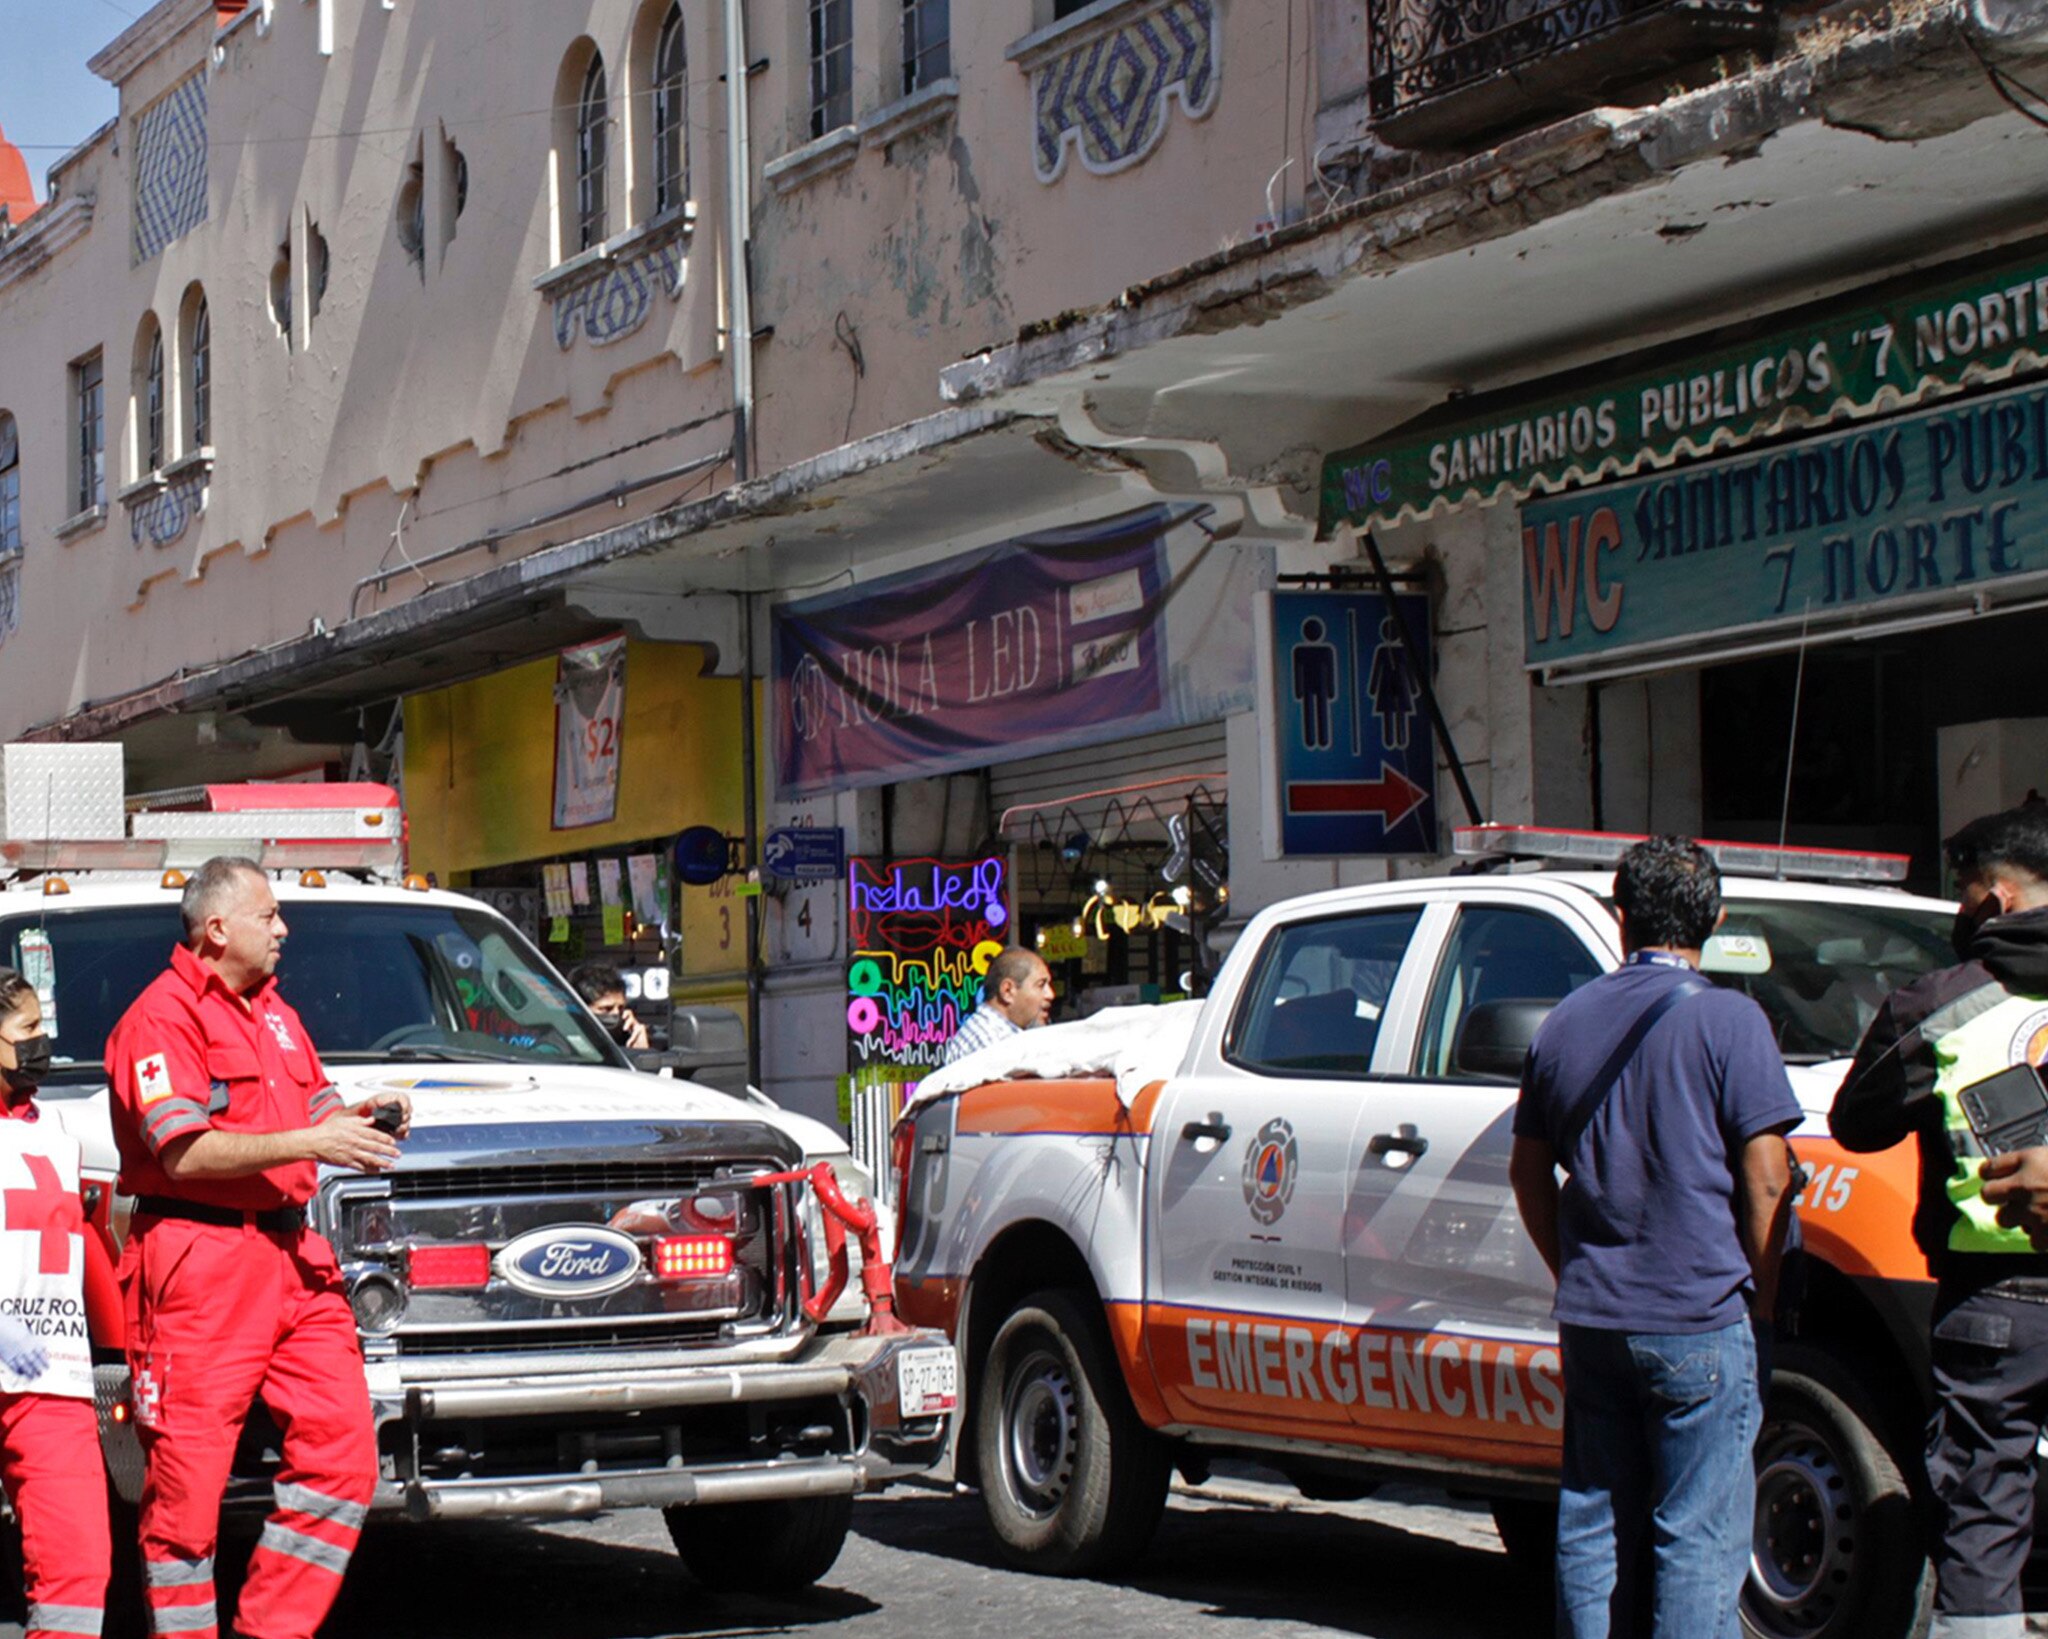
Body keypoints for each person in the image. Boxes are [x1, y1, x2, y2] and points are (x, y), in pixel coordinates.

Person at [105, 857, 410, 1639]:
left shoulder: (275, 1012)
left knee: (345, 1459)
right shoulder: (160, 1018)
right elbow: (182, 1153)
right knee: (184, 1503)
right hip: (199, 1267)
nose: (283, 929)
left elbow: (317, 1103)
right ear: (217, 929)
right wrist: (312, 1136)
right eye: (269, 914)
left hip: (293, 1260)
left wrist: (363, 1115)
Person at [1510, 835, 1799, 1639]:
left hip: (1594, 1317)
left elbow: (1527, 1174)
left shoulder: (1563, 1021)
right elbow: (1768, 1179)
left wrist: (1572, 1267)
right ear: (1717, 918)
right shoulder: (1732, 1020)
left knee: (1592, 1521)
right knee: (1697, 1536)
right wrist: (1761, 1303)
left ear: (1620, 915)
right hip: (1700, 1315)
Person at [1831, 805, 2048, 1639]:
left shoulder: (1939, 1004)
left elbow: (1858, 1122)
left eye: (1961, 892)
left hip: (1991, 1302)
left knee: (1983, 1518)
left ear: (1992, 897)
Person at [0, 967, 124, 1639]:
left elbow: (81, 1244)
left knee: (78, 1565)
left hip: (49, 1374)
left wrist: (127, 1349)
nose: (41, 1046)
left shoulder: (58, 1129)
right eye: (26, 1032)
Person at [941, 949, 1055, 1065]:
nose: (1050, 994)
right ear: (1007, 991)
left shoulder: (994, 1034)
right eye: (1040, 985)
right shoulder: (992, 1044)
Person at [567, 960, 649, 1050]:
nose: (616, 1014)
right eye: (606, 1009)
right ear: (581, 1008)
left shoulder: (627, 1039)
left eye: (621, 1008)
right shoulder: (560, 1044)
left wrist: (641, 1050)